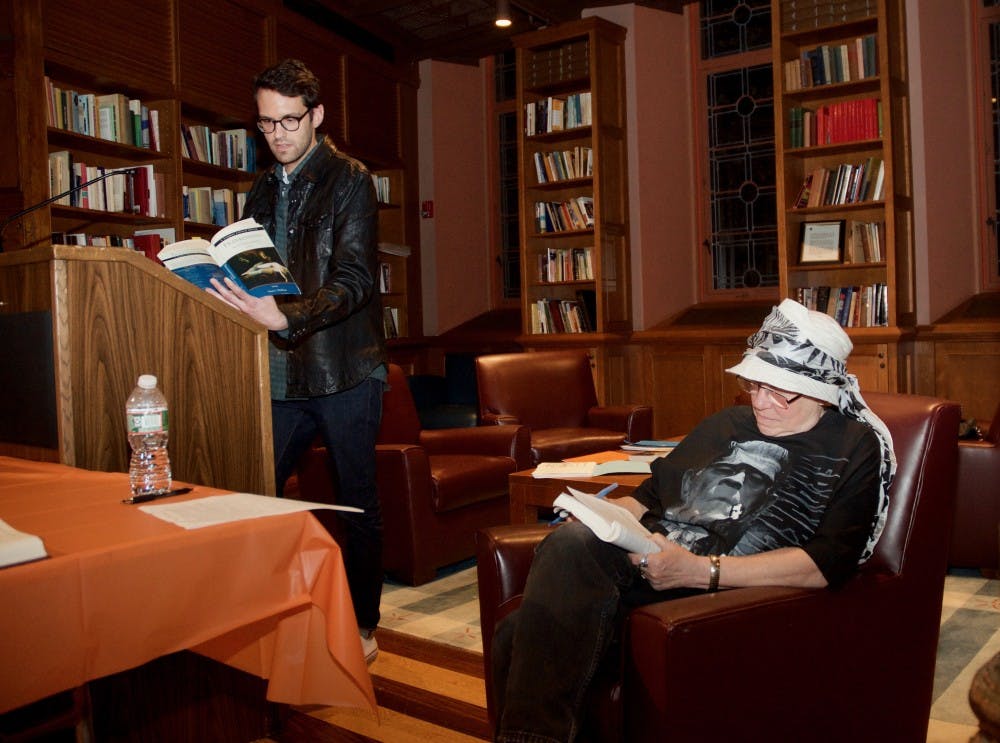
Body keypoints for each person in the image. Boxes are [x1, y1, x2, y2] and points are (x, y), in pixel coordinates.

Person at [491, 298, 896, 743]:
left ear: (823, 391)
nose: (760, 401)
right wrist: (597, 514)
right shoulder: (727, 422)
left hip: (722, 592)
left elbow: (825, 564)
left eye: (779, 390)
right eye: (754, 385)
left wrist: (701, 571)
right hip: (647, 561)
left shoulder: (854, 446)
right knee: (565, 552)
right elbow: (646, 500)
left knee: (526, 624)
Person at [207, 58, 387, 664]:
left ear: (316, 115)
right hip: (278, 367)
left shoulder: (351, 179)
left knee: (356, 499)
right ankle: (264, 611)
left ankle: (365, 626)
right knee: (254, 495)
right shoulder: (259, 187)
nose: (278, 135)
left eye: (289, 121)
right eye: (266, 124)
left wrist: (291, 316)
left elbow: (357, 278)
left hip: (344, 367)